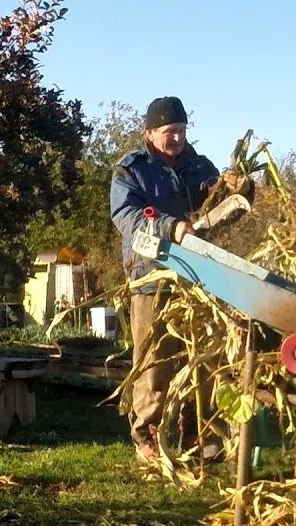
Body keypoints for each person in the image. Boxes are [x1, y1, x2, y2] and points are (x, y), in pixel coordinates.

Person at [109, 96, 248, 463]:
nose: (176, 138)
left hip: (200, 278)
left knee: (203, 359)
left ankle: (198, 435)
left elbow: (223, 211)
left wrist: (238, 190)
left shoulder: (200, 167)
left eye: (182, 131)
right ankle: (147, 435)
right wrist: (171, 227)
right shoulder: (131, 170)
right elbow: (126, 216)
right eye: (169, 131)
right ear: (150, 133)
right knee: (154, 360)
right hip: (151, 277)